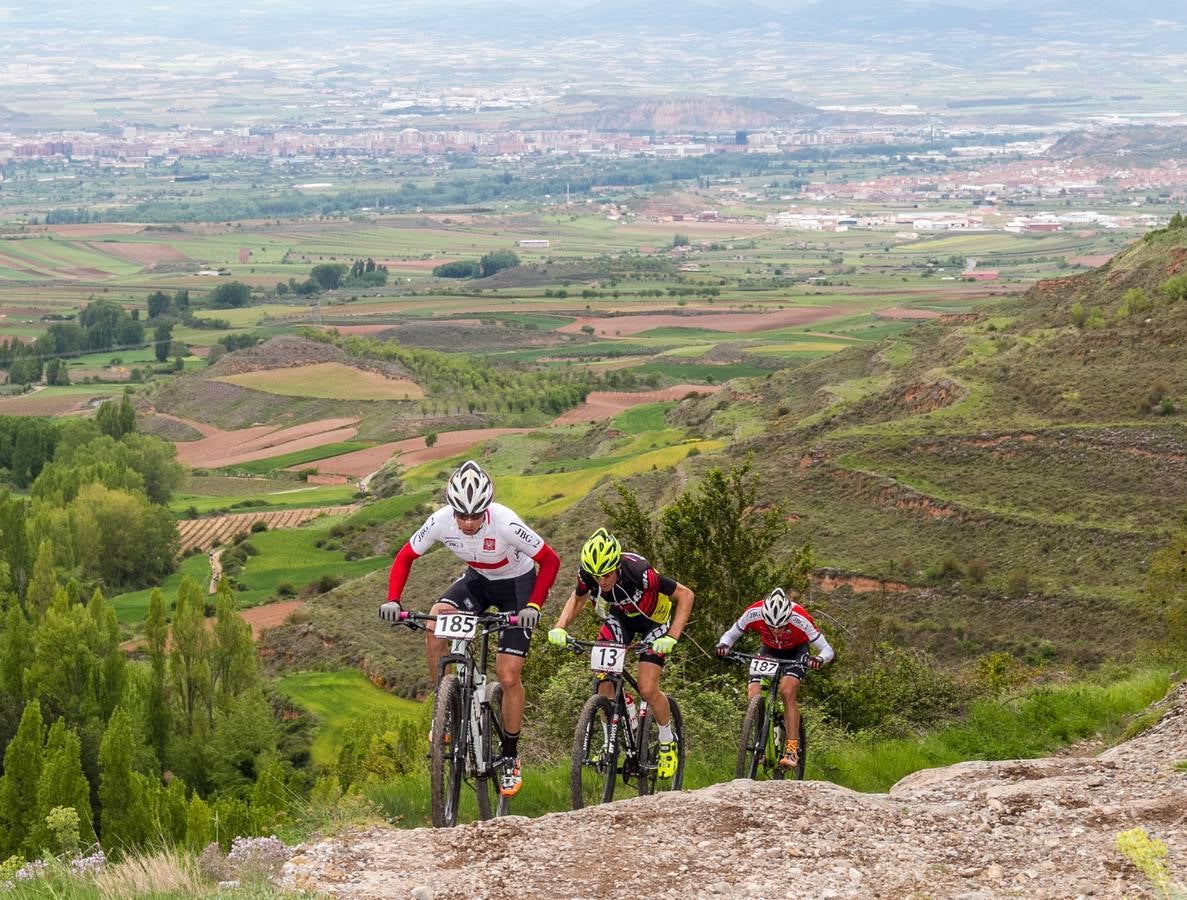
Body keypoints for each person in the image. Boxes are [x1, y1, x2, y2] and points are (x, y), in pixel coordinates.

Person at [380, 460, 560, 798]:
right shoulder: (440, 521)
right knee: (435, 621)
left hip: (518, 587)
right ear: (452, 508)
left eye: (476, 515)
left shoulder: (505, 523)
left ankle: (509, 757)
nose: (468, 522)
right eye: (462, 515)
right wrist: (393, 599)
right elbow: (404, 557)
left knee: (508, 676)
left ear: (487, 507)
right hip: (479, 581)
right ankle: (445, 709)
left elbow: (550, 560)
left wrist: (533, 606)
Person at [547, 528, 694, 779]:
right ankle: (613, 735)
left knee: (647, 688)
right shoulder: (589, 575)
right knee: (603, 678)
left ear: (616, 565)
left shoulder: (640, 571)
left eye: (606, 574)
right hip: (621, 620)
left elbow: (685, 595)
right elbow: (578, 598)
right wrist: (560, 627)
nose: (601, 581)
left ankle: (667, 742)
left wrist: (672, 637)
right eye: (596, 576)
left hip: (654, 622)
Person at [715, 587, 833, 769]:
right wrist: (723, 645)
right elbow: (730, 635)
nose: (777, 630)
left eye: (781, 626)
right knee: (753, 693)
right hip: (769, 650)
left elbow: (827, 650)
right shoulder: (753, 613)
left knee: (787, 692)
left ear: (789, 617)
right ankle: (762, 739)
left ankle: (792, 748)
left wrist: (818, 659)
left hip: (796, 652)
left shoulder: (800, 618)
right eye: (771, 626)